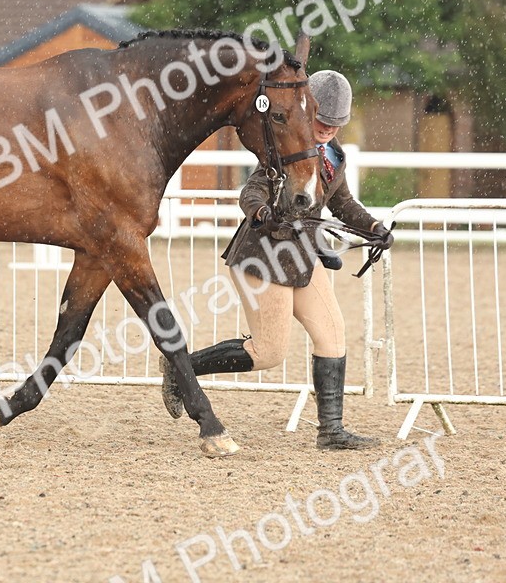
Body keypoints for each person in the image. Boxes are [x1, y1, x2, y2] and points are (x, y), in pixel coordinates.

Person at [161, 69, 393, 450]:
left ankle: (331, 432)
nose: (328, 129)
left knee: (333, 333)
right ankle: (179, 367)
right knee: (269, 352)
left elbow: (343, 204)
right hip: (262, 255)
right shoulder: (284, 151)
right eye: (322, 120)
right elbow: (249, 193)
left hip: (302, 257)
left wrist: (375, 227)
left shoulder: (334, 157)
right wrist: (264, 213)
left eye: (335, 124)